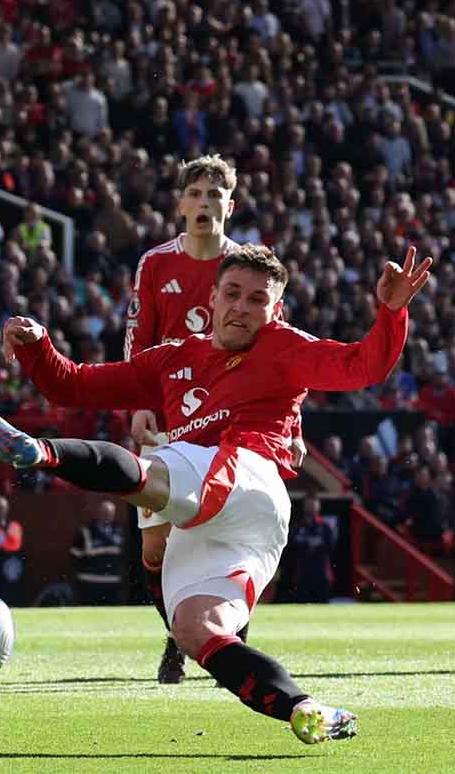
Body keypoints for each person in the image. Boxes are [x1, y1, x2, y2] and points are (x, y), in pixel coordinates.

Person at [0, 242, 431, 746]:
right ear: (212, 299)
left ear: (275, 310)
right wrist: (37, 345)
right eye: (233, 294)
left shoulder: (285, 346)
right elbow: (75, 387)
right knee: (197, 630)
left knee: (155, 471)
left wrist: (391, 313)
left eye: (258, 300)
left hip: (248, 474)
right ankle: (306, 709)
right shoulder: (174, 358)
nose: (242, 306)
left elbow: (361, 368)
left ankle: (38, 453)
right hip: (227, 524)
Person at [123, 154, 292, 682]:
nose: (204, 203)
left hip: (232, 416)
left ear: (230, 205)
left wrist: (294, 427)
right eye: (195, 194)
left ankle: (226, 634)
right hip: (168, 414)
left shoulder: (248, 267)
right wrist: (138, 398)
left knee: (236, 532)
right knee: (154, 546)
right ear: (179, 205)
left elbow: (281, 349)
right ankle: (177, 635)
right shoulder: (155, 264)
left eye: (214, 195)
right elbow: (139, 336)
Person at [70, 499, 126, 605]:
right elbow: (74, 556)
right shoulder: (86, 531)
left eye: (110, 513)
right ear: (99, 513)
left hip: (112, 582)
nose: (107, 515)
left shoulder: (120, 531)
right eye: (104, 512)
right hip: (89, 582)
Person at [286, 496, 336, 603]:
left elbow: (331, 547)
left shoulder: (324, 526)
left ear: (318, 507)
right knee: (301, 602)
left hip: (321, 571)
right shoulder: (298, 526)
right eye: (309, 505)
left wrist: (317, 545)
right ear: (304, 507)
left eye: (314, 505)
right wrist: (307, 544)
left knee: (322, 602)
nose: (311, 508)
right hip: (302, 571)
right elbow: (290, 546)